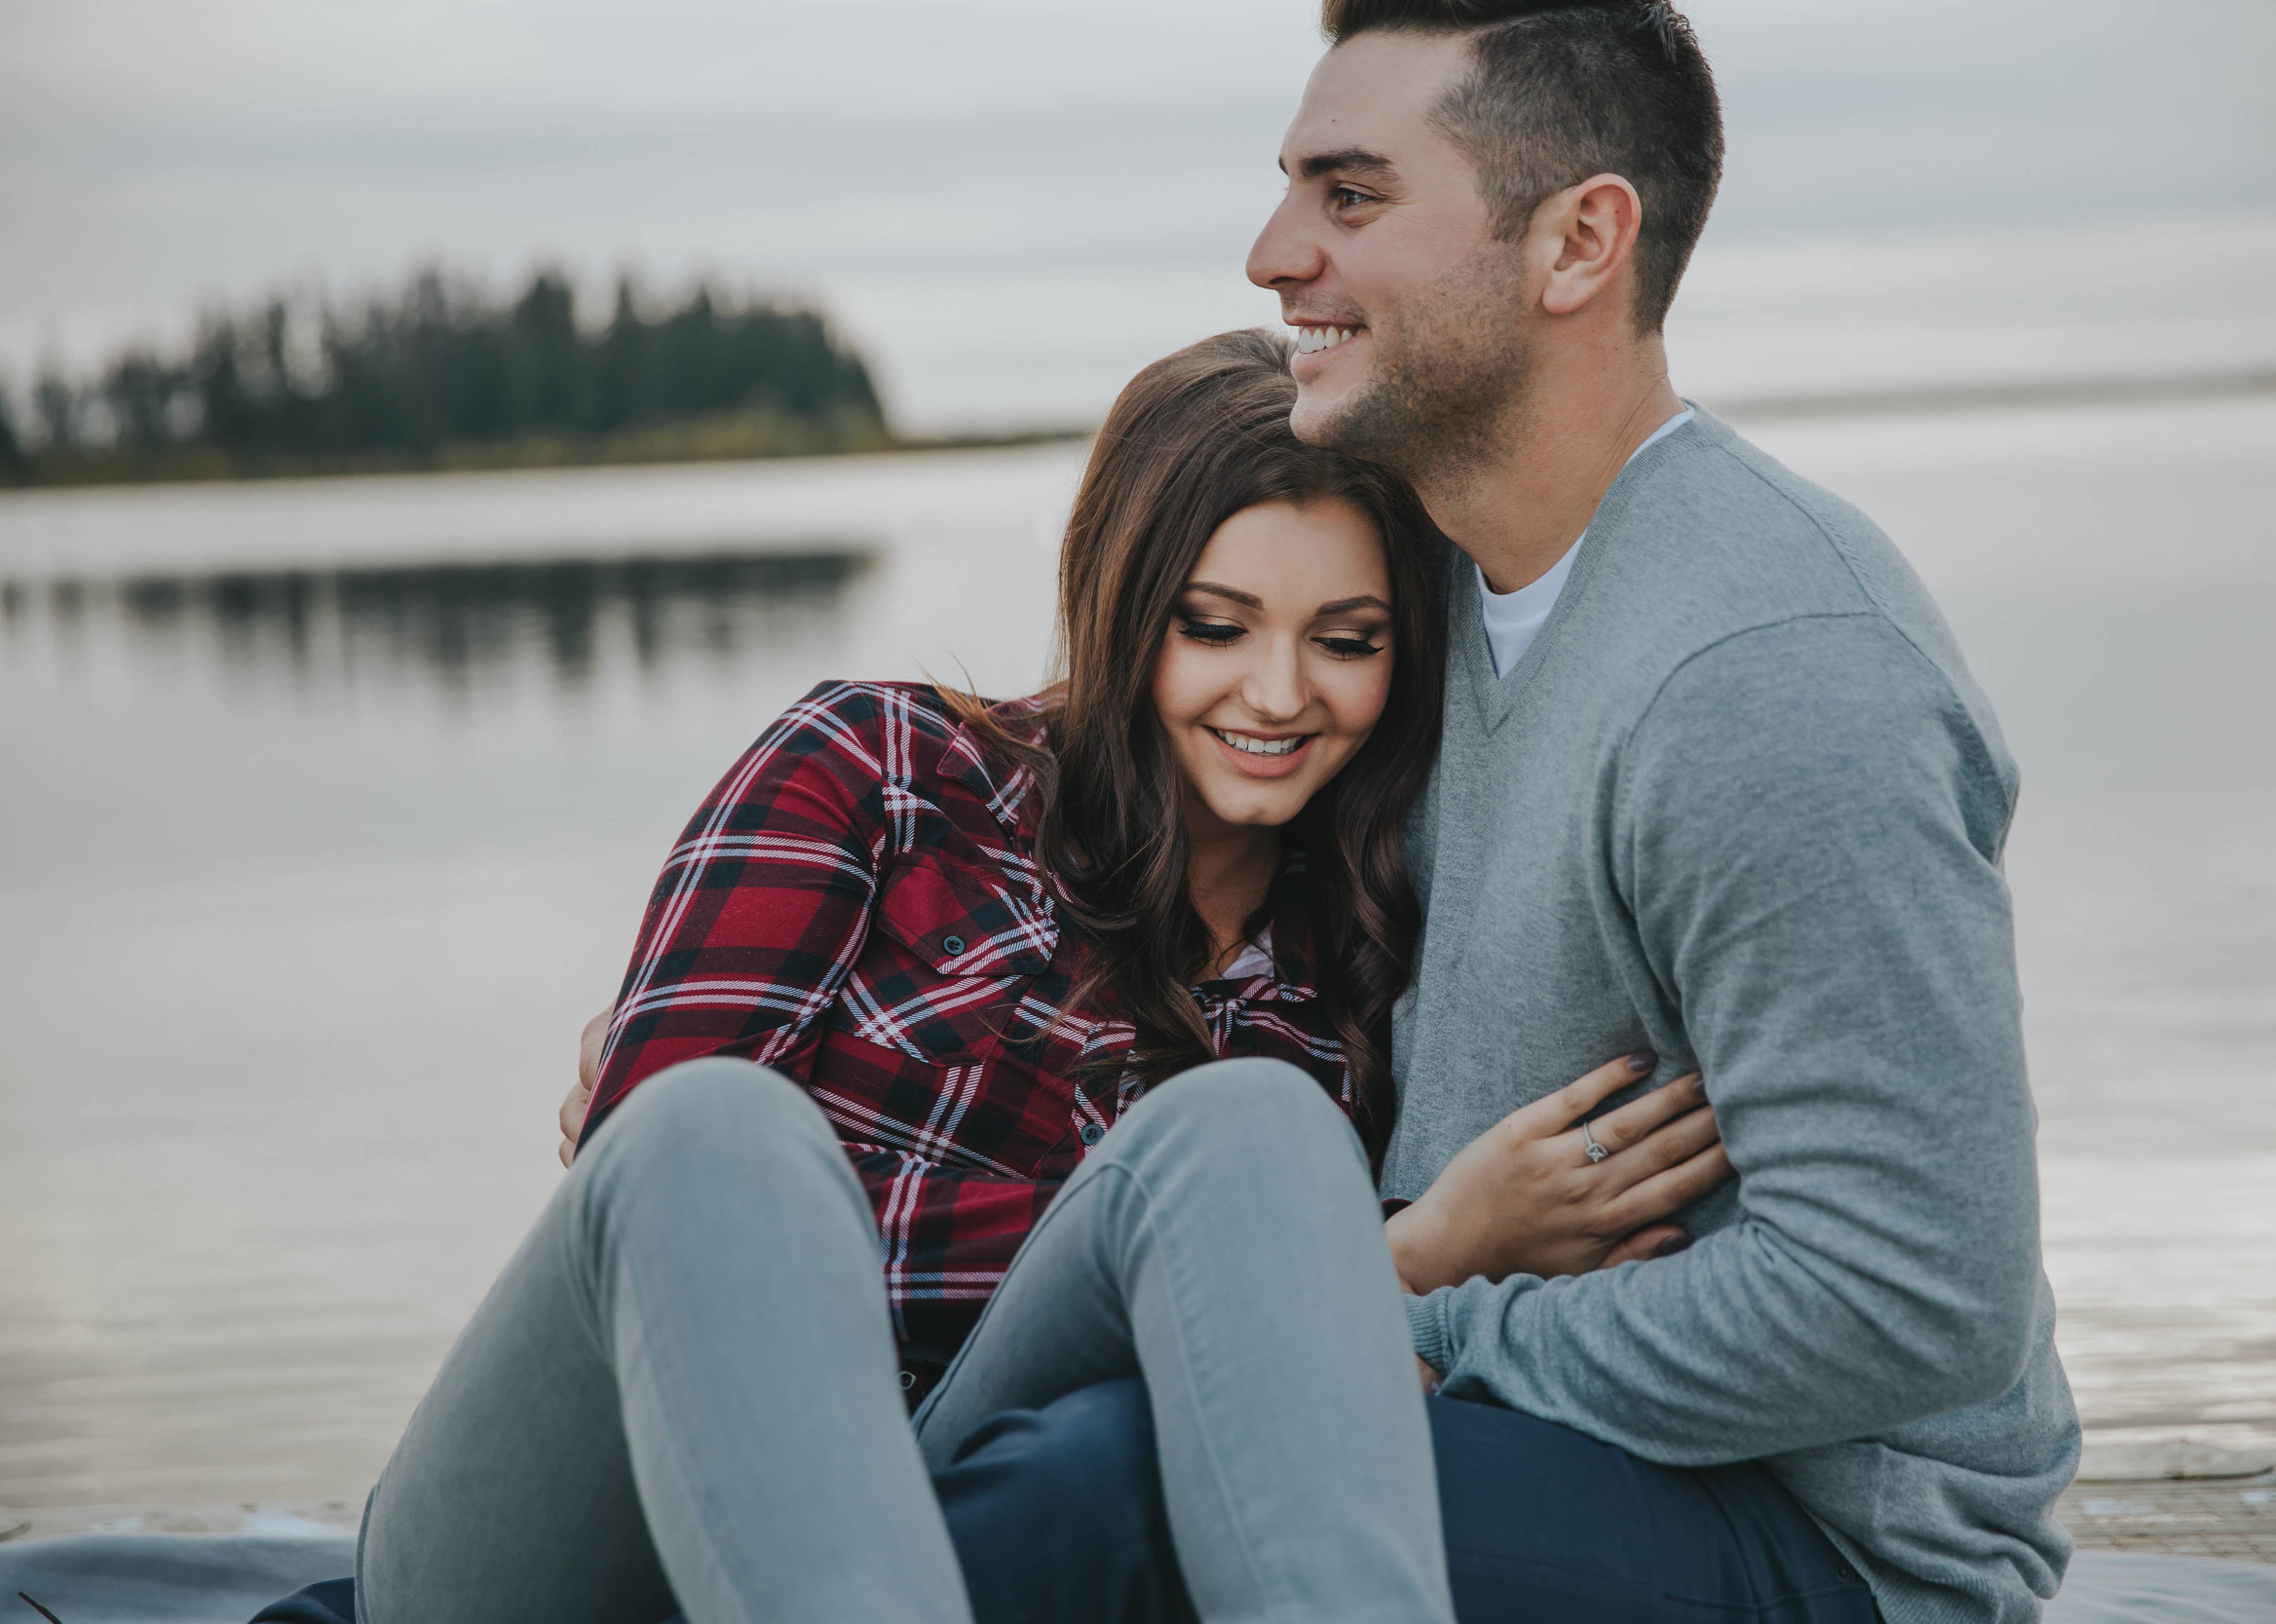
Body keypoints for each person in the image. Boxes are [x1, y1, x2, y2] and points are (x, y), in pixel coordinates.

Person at [941, 4, 2082, 1623]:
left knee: (1111, 1487)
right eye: (1292, 192)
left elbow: (1908, 1302)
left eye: (1350, 197)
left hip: (1813, 1549)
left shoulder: (1770, 671)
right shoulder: (1434, 599)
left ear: (1577, 244)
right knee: (1079, 1452)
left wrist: (1413, 1326)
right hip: (1543, 1451)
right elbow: (1174, 784)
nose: (1272, 255)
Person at [340, 330, 1732, 1624]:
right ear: (1126, 608)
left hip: (955, 1518)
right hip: (592, 1528)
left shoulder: (1356, 973)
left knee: (1254, 1125)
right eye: (1216, 625)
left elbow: (1292, 1399)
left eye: (1345, 640)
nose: (1278, 692)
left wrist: (1379, 1263)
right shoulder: (874, 773)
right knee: (710, 1131)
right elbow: (656, 1215)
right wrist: (1393, 1258)